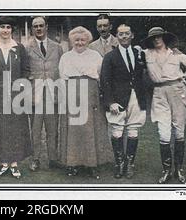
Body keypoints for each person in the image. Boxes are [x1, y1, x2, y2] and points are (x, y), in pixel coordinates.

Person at [142, 27, 186, 184]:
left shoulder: (175, 53)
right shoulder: (147, 53)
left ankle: (179, 170)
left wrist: (182, 76)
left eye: (159, 36)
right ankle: (166, 171)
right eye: (153, 38)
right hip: (159, 94)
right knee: (164, 133)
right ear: (150, 40)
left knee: (179, 131)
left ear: (164, 37)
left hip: (177, 91)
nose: (156, 39)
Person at [0, 16, 32, 179]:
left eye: (8, 27)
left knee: (15, 129)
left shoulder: (19, 48)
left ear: (12, 30)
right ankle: (3, 163)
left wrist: (22, 86)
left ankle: (15, 163)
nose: (5, 30)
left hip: (16, 95)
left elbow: (26, 69)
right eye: (2, 27)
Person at [58, 26, 111, 179]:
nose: (79, 42)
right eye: (76, 40)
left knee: (90, 129)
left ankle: (92, 164)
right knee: (74, 131)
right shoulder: (66, 57)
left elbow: (101, 76)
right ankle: (73, 164)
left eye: (82, 40)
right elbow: (62, 77)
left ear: (88, 41)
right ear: (72, 41)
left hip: (91, 95)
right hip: (72, 94)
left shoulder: (95, 55)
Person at [100, 24, 147, 179]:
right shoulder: (110, 57)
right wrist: (110, 102)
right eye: (121, 34)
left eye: (127, 33)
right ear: (117, 36)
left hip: (136, 97)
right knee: (117, 130)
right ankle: (119, 164)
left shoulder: (139, 53)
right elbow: (105, 81)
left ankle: (130, 164)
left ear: (132, 35)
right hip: (118, 99)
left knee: (133, 130)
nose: (124, 36)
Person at [26, 16, 63, 171]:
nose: (39, 29)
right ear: (32, 29)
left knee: (53, 129)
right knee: (35, 130)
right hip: (35, 95)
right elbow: (24, 71)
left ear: (46, 27)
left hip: (52, 94)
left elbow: (61, 70)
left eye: (41, 25)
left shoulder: (57, 47)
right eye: (35, 26)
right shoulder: (27, 48)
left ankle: (53, 159)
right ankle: (35, 159)